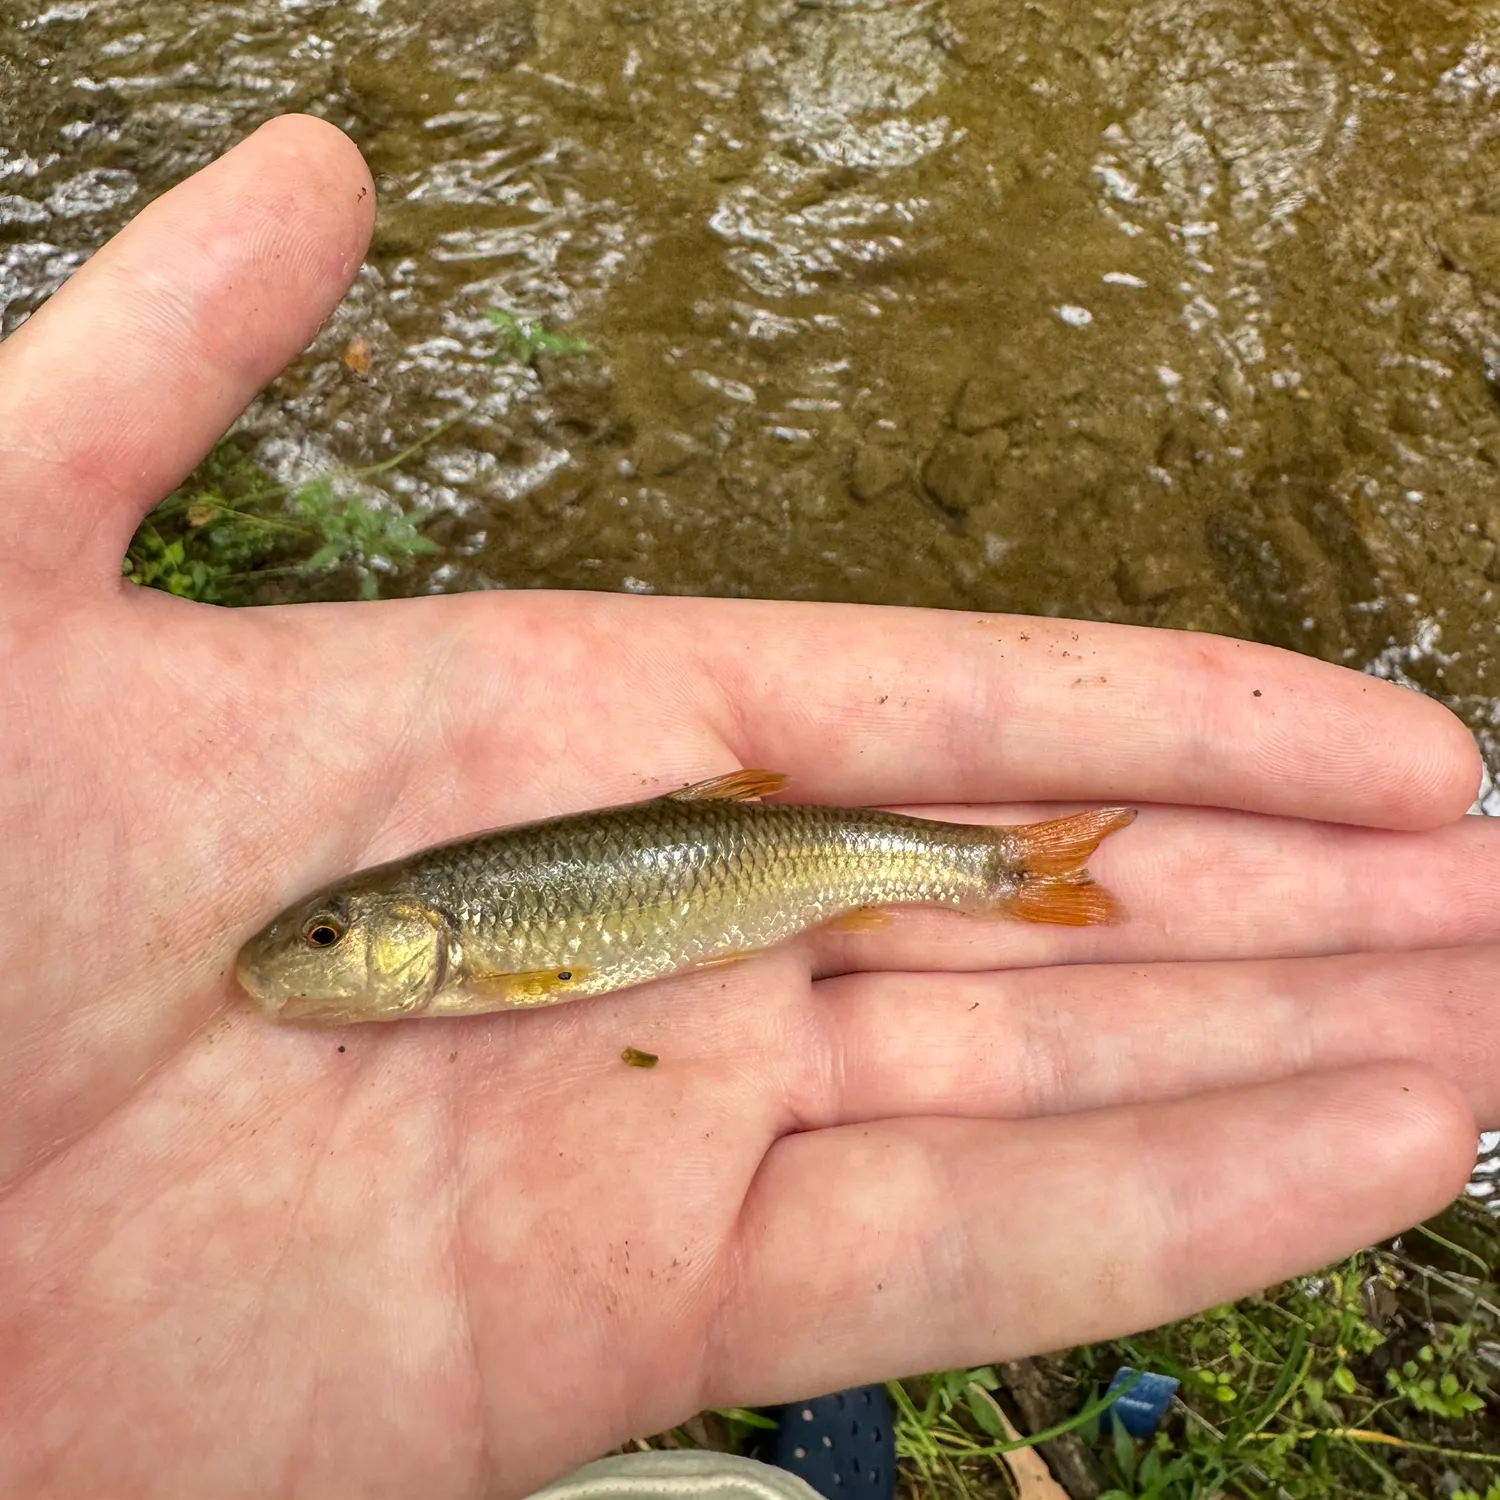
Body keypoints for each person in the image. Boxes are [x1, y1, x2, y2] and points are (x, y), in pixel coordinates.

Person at [0, 114, 1495, 1500]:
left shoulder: (468, 942)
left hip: (787, 860)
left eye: (332, 937)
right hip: (753, 870)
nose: (317, 953)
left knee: (922, 872)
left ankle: (1000, 872)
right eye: (334, 937)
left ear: (400, 931)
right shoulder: (433, 948)